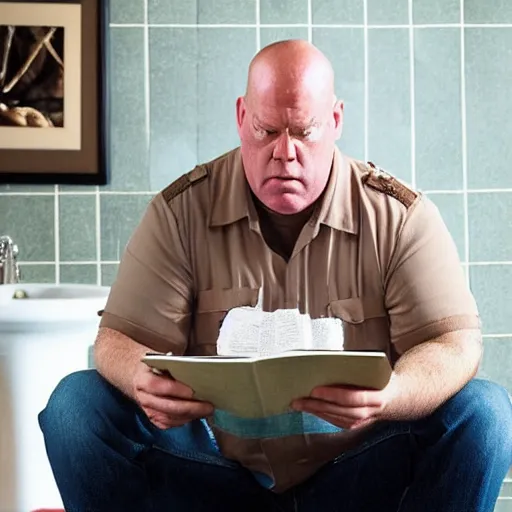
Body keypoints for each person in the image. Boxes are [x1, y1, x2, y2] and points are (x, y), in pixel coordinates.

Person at [39, 40, 512, 512]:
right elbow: (116, 339)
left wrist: (393, 395)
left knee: (485, 413)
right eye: (266, 130)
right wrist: (139, 376)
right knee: (74, 407)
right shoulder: (180, 213)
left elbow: (456, 343)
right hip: (215, 477)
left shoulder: (398, 217)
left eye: (304, 132)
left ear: (336, 120)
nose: (284, 153)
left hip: (357, 475)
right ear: (242, 116)